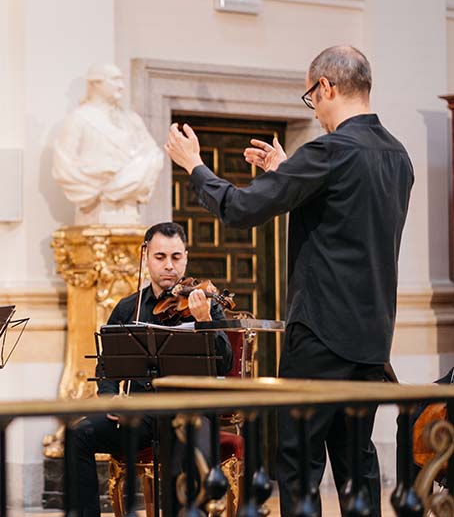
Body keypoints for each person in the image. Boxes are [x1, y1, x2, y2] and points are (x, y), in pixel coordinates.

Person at [164, 45, 414, 516]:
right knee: (357, 462)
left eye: (311, 99)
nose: (315, 112)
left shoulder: (331, 149)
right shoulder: (397, 156)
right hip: (373, 336)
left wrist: (194, 167)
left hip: (320, 332)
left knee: (298, 462)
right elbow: (345, 219)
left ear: (326, 87)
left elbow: (240, 209)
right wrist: (287, 173)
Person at [72, 221, 234, 517]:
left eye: (176, 257)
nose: (169, 266)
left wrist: (205, 322)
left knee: (182, 452)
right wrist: (111, 399)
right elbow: (106, 363)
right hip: (141, 416)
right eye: (160, 257)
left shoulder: (206, 305)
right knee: (78, 435)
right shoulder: (128, 307)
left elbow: (225, 363)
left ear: (185, 257)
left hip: (190, 415)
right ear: (146, 257)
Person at [52, 63, 164, 225]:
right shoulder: (79, 118)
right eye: (115, 80)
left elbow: (152, 155)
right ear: (96, 83)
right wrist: (96, 187)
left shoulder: (132, 120)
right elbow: (63, 164)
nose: (122, 86)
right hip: (94, 209)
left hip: (130, 210)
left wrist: (129, 176)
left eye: (122, 80)